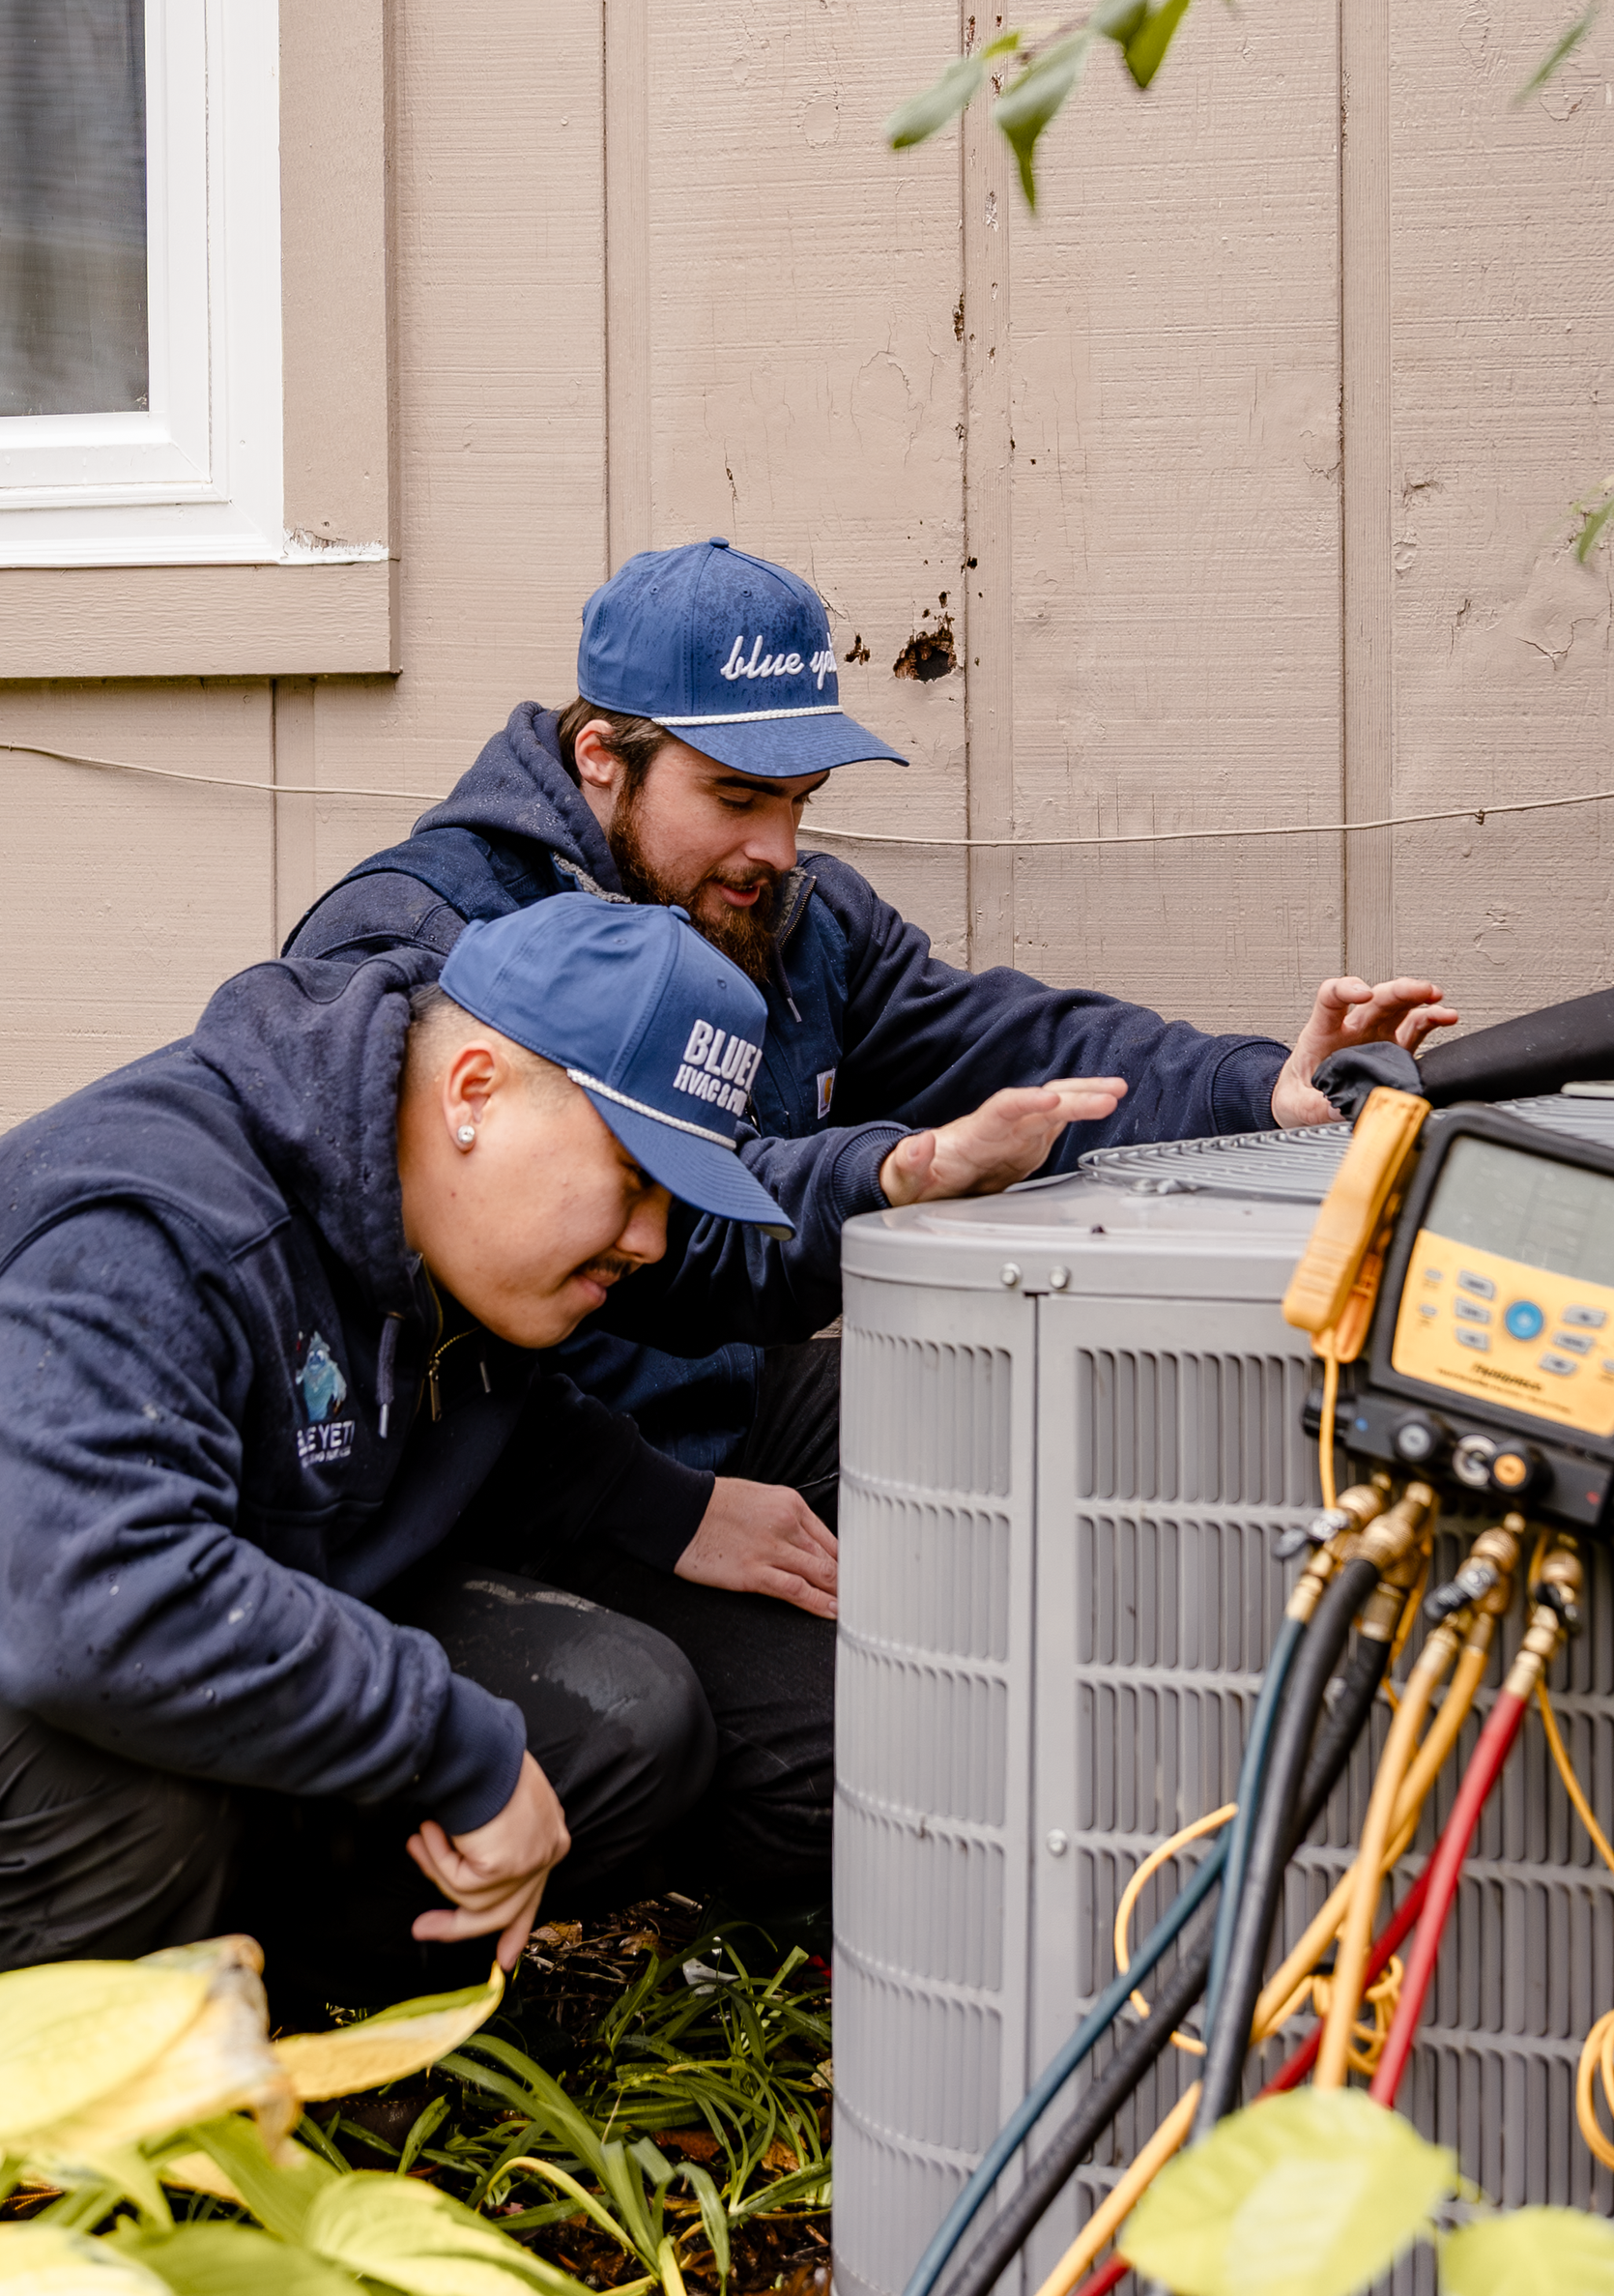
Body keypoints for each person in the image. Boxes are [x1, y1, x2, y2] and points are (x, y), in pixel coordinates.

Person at [0, 892, 1106, 1982]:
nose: (649, 1242)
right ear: (474, 1089)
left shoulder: (426, 1201)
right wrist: (446, 1742)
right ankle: (43, 2143)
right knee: (120, 1766)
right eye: (636, 1181)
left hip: (153, 1613)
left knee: (627, 1728)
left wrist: (659, 1504)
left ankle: (254, 1996)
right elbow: (89, 1595)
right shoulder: (150, 1228)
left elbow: (450, 1395)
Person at [288, 537, 1455, 1607]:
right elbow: (382, 1326)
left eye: (801, 802)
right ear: (602, 758)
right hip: (518, 1481)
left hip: (725, 1397)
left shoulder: (791, 920)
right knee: (838, 1726)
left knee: (1029, 1437)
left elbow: (1027, 1050)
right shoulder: (419, 945)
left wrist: (1261, 1095)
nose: (778, 849)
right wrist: (661, 1501)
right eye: (738, 797)